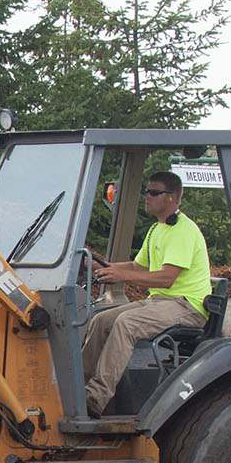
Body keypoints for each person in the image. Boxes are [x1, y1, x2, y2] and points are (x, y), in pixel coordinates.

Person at [83, 171, 210, 416]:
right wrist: (99, 266)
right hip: (160, 302)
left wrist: (122, 276)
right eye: (146, 191)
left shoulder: (183, 231)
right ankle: (77, 392)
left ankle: (95, 398)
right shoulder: (157, 229)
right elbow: (138, 266)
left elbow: (167, 278)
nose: (146, 196)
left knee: (126, 324)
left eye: (154, 192)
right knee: (100, 320)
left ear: (172, 198)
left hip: (186, 306)